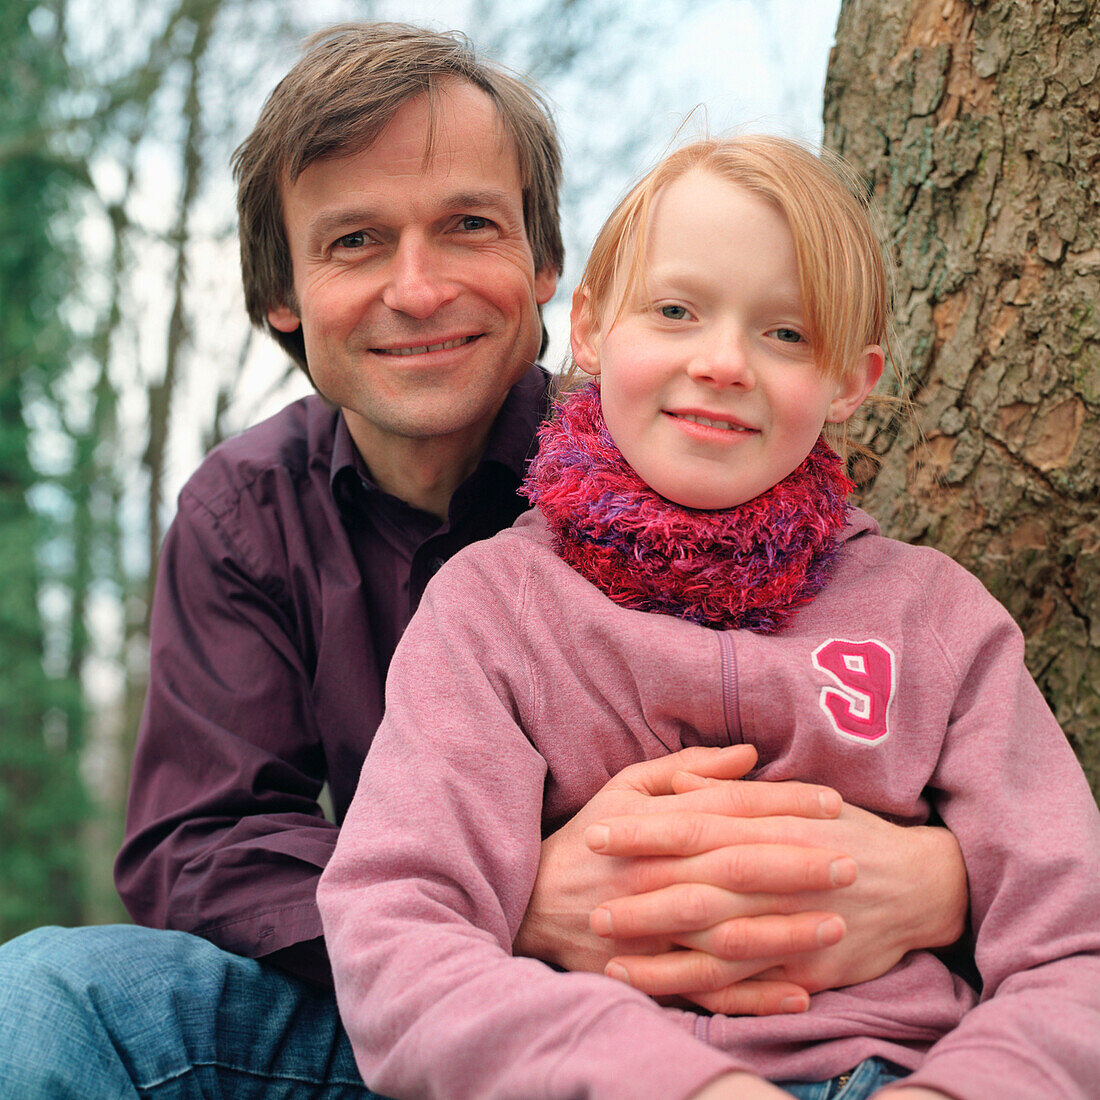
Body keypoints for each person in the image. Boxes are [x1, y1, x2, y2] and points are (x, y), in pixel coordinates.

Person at [0, 25, 968, 1098]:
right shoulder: (242, 513)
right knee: (47, 996)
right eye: (354, 240)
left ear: (546, 263)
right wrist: (509, 898)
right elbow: (202, 843)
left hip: (756, 1018)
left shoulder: (690, 445)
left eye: (466, 224)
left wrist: (948, 876)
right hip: (423, 1012)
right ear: (281, 294)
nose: (417, 290)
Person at [317, 135, 1100, 1100]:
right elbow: (398, 930)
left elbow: (1076, 947)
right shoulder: (493, 612)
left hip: (894, 1072)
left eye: (786, 334)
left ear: (852, 380)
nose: (724, 362)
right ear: (596, 330)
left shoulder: (936, 620)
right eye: (678, 311)